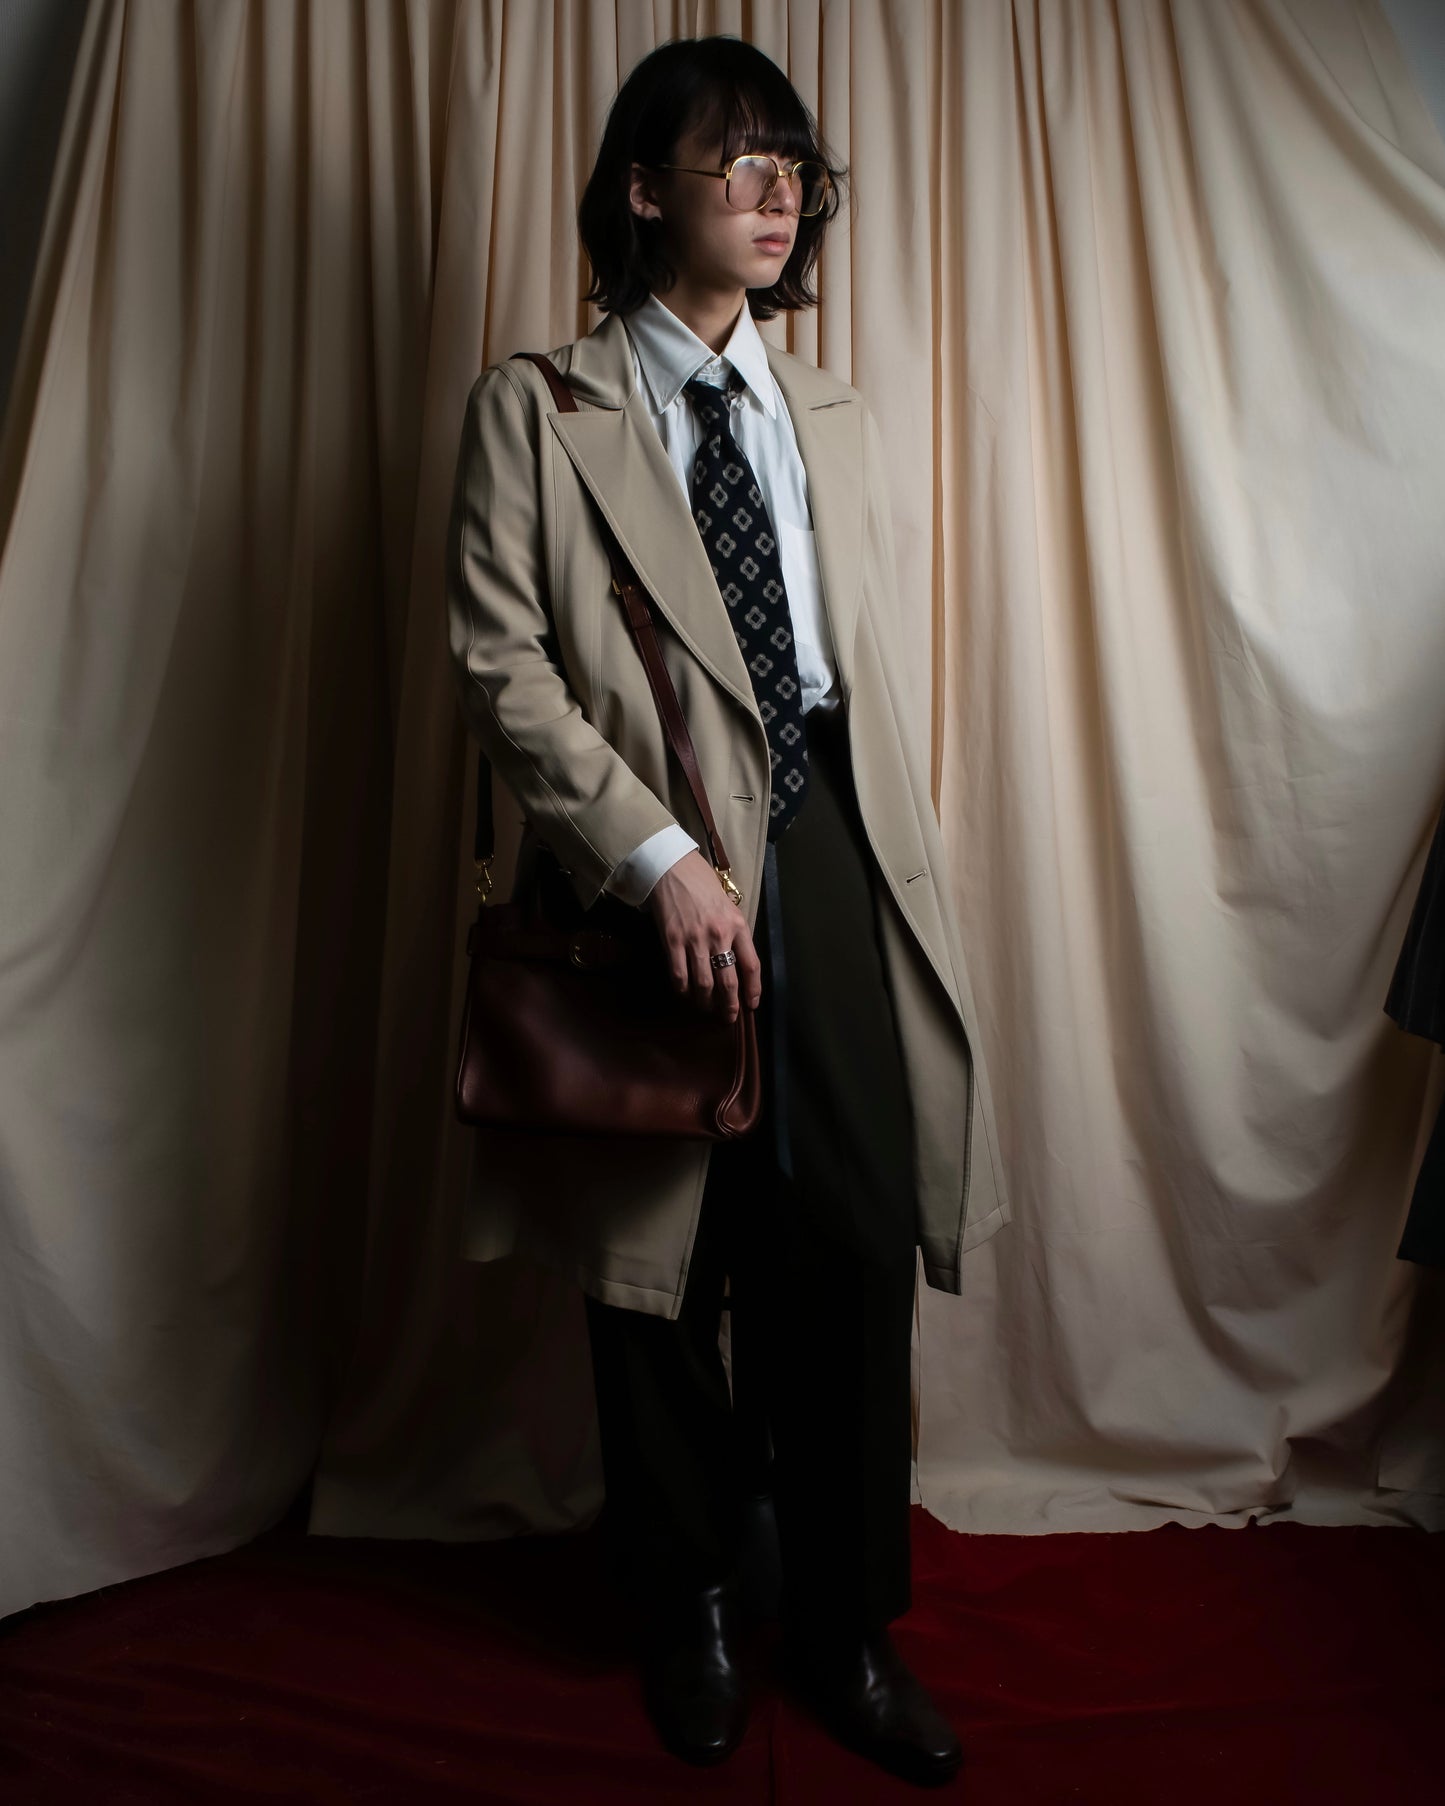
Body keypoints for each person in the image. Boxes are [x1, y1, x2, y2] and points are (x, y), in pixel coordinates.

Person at [444, 34, 1010, 1788]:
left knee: (845, 1244)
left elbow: (844, 674)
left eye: (795, 171)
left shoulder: (824, 406)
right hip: (644, 866)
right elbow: (499, 659)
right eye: (737, 166)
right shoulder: (538, 406)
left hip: (829, 847)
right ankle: (681, 1602)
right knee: (659, 1259)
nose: (777, 200)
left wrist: (833, 853)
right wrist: (653, 853)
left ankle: (843, 1626)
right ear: (642, 189)